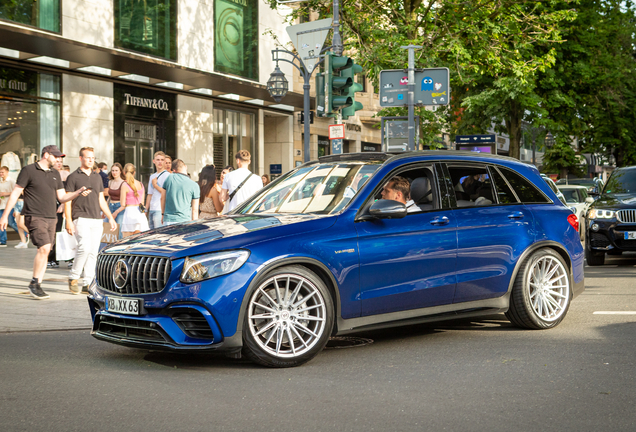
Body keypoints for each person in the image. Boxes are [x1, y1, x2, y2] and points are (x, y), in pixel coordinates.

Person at [0, 145, 90, 299]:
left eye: (60, 157)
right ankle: (35, 283)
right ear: (46, 155)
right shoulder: (28, 170)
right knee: (44, 247)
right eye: (56, 156)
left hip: (51, 218)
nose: (58, 160)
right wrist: (4, 216)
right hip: (34, 216)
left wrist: (77, 193)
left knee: (46, 251)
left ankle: (37, 284)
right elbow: (15, 194)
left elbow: (61, 197)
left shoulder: (55, 174)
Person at [65, 147, 117, 294]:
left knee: (94, 251)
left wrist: (110, 217)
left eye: (93, 158)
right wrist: (68, 220)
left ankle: (87, 283)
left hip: (96, 219)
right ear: (80, 158)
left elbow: (101, 199)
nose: (90, 160)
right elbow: (67, 201)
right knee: (84, 248)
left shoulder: (97, 177)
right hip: (80, 217)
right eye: (88, 157)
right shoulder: (73, 177)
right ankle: (74, 276)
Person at [112, 163, 149, 237]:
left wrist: (115, 213)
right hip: (140, 214)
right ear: (134, 172)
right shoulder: (141, 184)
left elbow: (123, 205)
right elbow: (142, 203)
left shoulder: (124, 185)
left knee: (126, 242)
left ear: (124, 172)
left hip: (129, 214)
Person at [47, 156, 70, 268]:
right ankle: (52, 258)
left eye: (61, 162)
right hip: (51, 206)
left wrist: (64, 204)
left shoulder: (65, 174)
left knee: (65, 232)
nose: (59, 163)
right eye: (57, 162)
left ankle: (69, 258)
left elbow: (69, 191)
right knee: (53, 234)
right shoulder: (48, 174)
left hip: (63, 206)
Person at [161, 159, 200, 225]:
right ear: (185, 167)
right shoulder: (194, 185)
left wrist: (162, 214)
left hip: (169, 219)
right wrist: (194, 224)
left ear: (174, 170)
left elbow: (162, 197)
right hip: (185, 220)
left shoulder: (169, 178)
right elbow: (195, 210)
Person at [145, 151, 169, 230]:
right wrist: (146, 210)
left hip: (160, 210)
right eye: (158, 160)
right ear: (154, 161)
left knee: (159, 235)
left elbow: (165, 192)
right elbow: (149, 194)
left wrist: (155, 185)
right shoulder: (153, 176)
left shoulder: (167, 175)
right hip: (152, 209)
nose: (160, 162)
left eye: (162, 160)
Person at [0, 166, 19, 247]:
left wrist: (5, 194)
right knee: (1, 223)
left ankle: (25, 234)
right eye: (0, 172)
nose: (1, 174)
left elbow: (17, 193)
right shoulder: (0, 181)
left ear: (7, 172)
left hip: (10, 205)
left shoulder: (12, 181)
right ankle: (2, 241)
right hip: (1, 205)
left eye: (2, 172)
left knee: (11, 223)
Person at [105, 163, 125, 239]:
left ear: (120, 171)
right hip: (110, 206)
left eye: (116, 170)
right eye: (113, 170)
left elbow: (125, 202)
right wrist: (105, 210)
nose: (114, 172)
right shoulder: (110, 182)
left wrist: (116, 212)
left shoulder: (123, 183)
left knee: (119, 230)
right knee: (108, 230)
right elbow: (109, 197)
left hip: (120, 208)